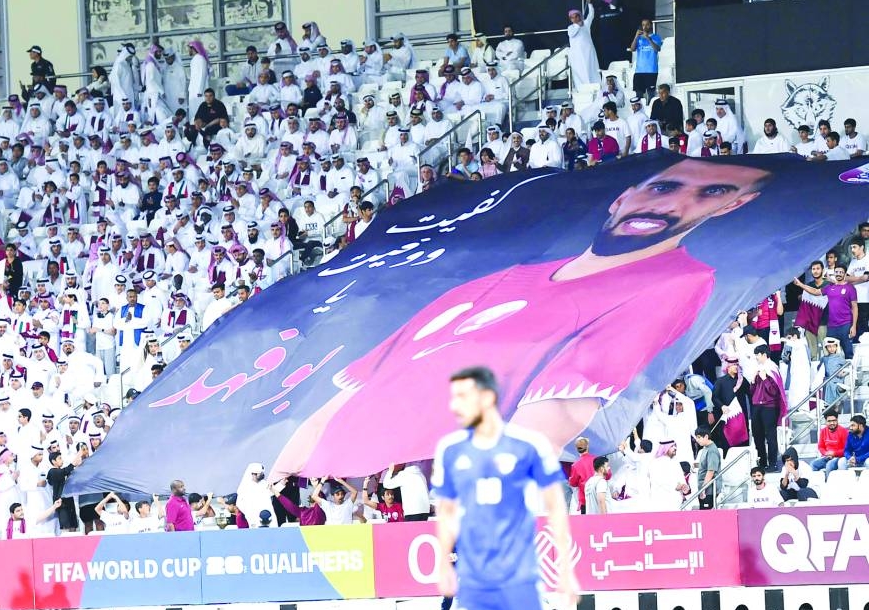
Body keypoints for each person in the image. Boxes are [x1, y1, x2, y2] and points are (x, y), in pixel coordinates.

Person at [273, 158, 774, 476]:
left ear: (735, 207)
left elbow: (556, 417)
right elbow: (332, 411)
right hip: (335, 490)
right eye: (664, 187)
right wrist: (280, 480)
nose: (677, 202)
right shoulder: (496, 281)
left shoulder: (677, 283)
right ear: (623, 197)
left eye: (712, 192)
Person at [433, 367, 578, 610]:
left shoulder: (530, 445)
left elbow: (555, 507)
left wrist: (565, 568)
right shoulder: (450, 450)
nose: (455, 406)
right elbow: (446, 510)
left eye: (463, 397)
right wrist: (444, 563)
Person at [795, 265, 857, 358]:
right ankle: (834, 372)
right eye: (837, 272)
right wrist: (800, 285)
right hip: (831, 326)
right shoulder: (830, 287)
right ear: (834, 273)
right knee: (831, 353)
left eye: (841, 272)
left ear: (844, 274)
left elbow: (855, 307)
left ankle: (851, 372)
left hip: (845, 324)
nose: (839, 274)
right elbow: (815, 291)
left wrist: (854, 326)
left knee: (848, 351)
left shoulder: (850, 288)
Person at [567, 0, 599, 88]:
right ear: (571, 19)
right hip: (578, 55)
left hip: (588, 53)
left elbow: (591, 14)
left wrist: (589, 3)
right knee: (581, 73)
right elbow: (572, 34)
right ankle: (583, 89)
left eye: (576, 16)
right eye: (573, 17)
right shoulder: (571, 28)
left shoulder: (586, 23)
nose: (575, 19)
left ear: (579, 16)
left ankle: (595, 87)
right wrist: (578, 26)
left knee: (591, 70)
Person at [629, 18, 662, 99]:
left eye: (647, 24)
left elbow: (657, 49)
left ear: (650, 25)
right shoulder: (639, 38)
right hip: (639, 71)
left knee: (651, 95)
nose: (645, 27)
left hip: (651, 70)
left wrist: (648, 38)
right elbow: (632, 49)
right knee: (638, 96)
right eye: (643, 25)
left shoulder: (656, 37)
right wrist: (636, 37)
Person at [811, 409, 848, 477]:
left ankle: (828, 484)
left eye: (834, 420)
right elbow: (820, 447)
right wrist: (826, 453)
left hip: (839, 457)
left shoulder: (844, 431)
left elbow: (846, 450)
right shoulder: (823, 431)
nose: (832, 423)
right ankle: (817, 485)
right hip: (827, 456)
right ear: (826, 421)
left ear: (837, 420)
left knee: (829, 465)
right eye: (829, 421)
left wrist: (834, 453)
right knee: (813, 464)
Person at [694, 426, 721, 510]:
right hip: (705, 489)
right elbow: (706, 465)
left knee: (707, 517)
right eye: (696, 438)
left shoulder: (712, 450)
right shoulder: (705, 448)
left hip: (708, 490)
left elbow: (710, 471)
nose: (697, 440)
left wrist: (703, 489)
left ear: (706, 436)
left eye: (699, 437)